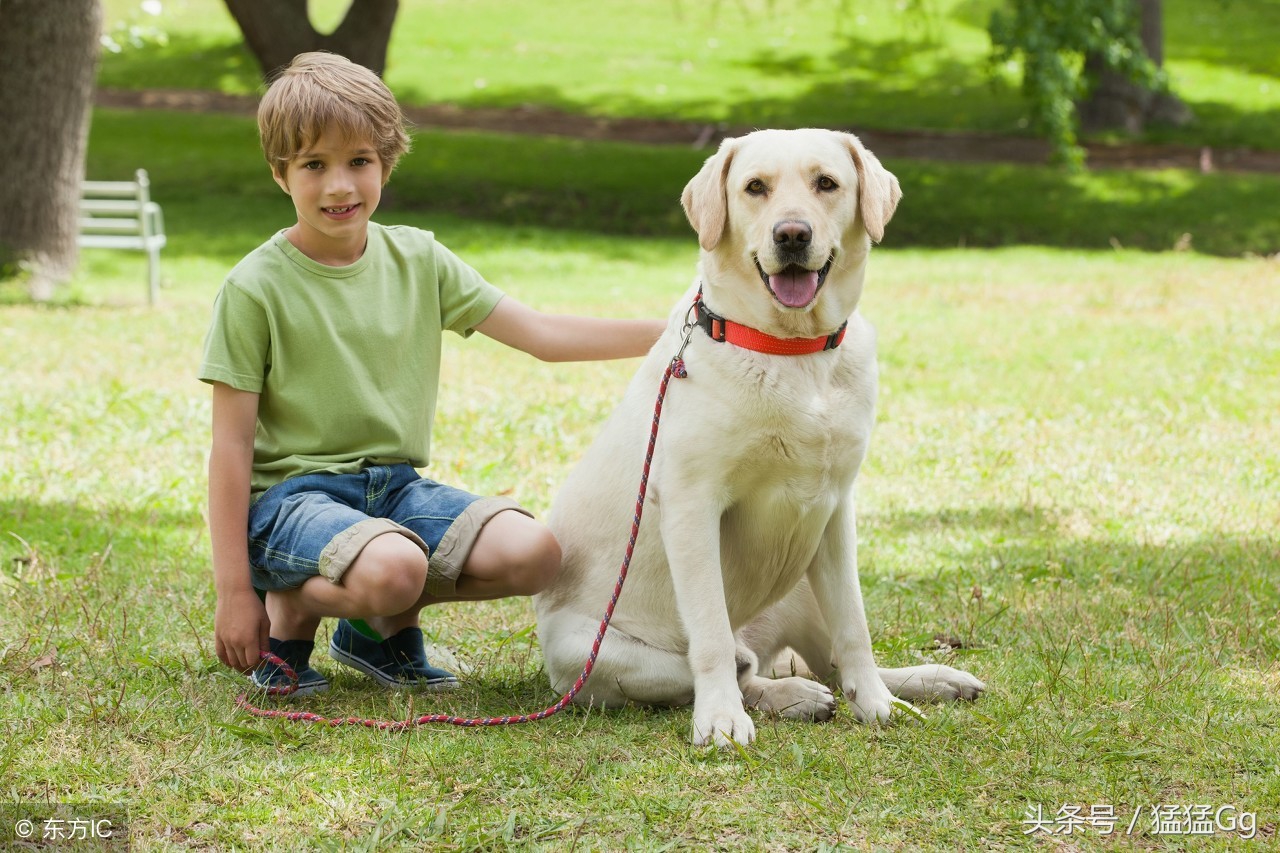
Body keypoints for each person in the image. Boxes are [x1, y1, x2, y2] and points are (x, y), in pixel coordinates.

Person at [200, 51, 663, 696]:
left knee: (537, 554)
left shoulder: (418, 257)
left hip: (393, 490)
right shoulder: (253, 287)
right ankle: (290, 617)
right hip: (292, 501)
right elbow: (231, 444)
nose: (340, 186)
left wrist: (675, 331)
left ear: (385, 162)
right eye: (315, 165)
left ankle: (374, 636)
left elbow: (543, 335)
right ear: (282, 174)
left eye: (359, 161)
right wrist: (233, 589)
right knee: (395, 566)